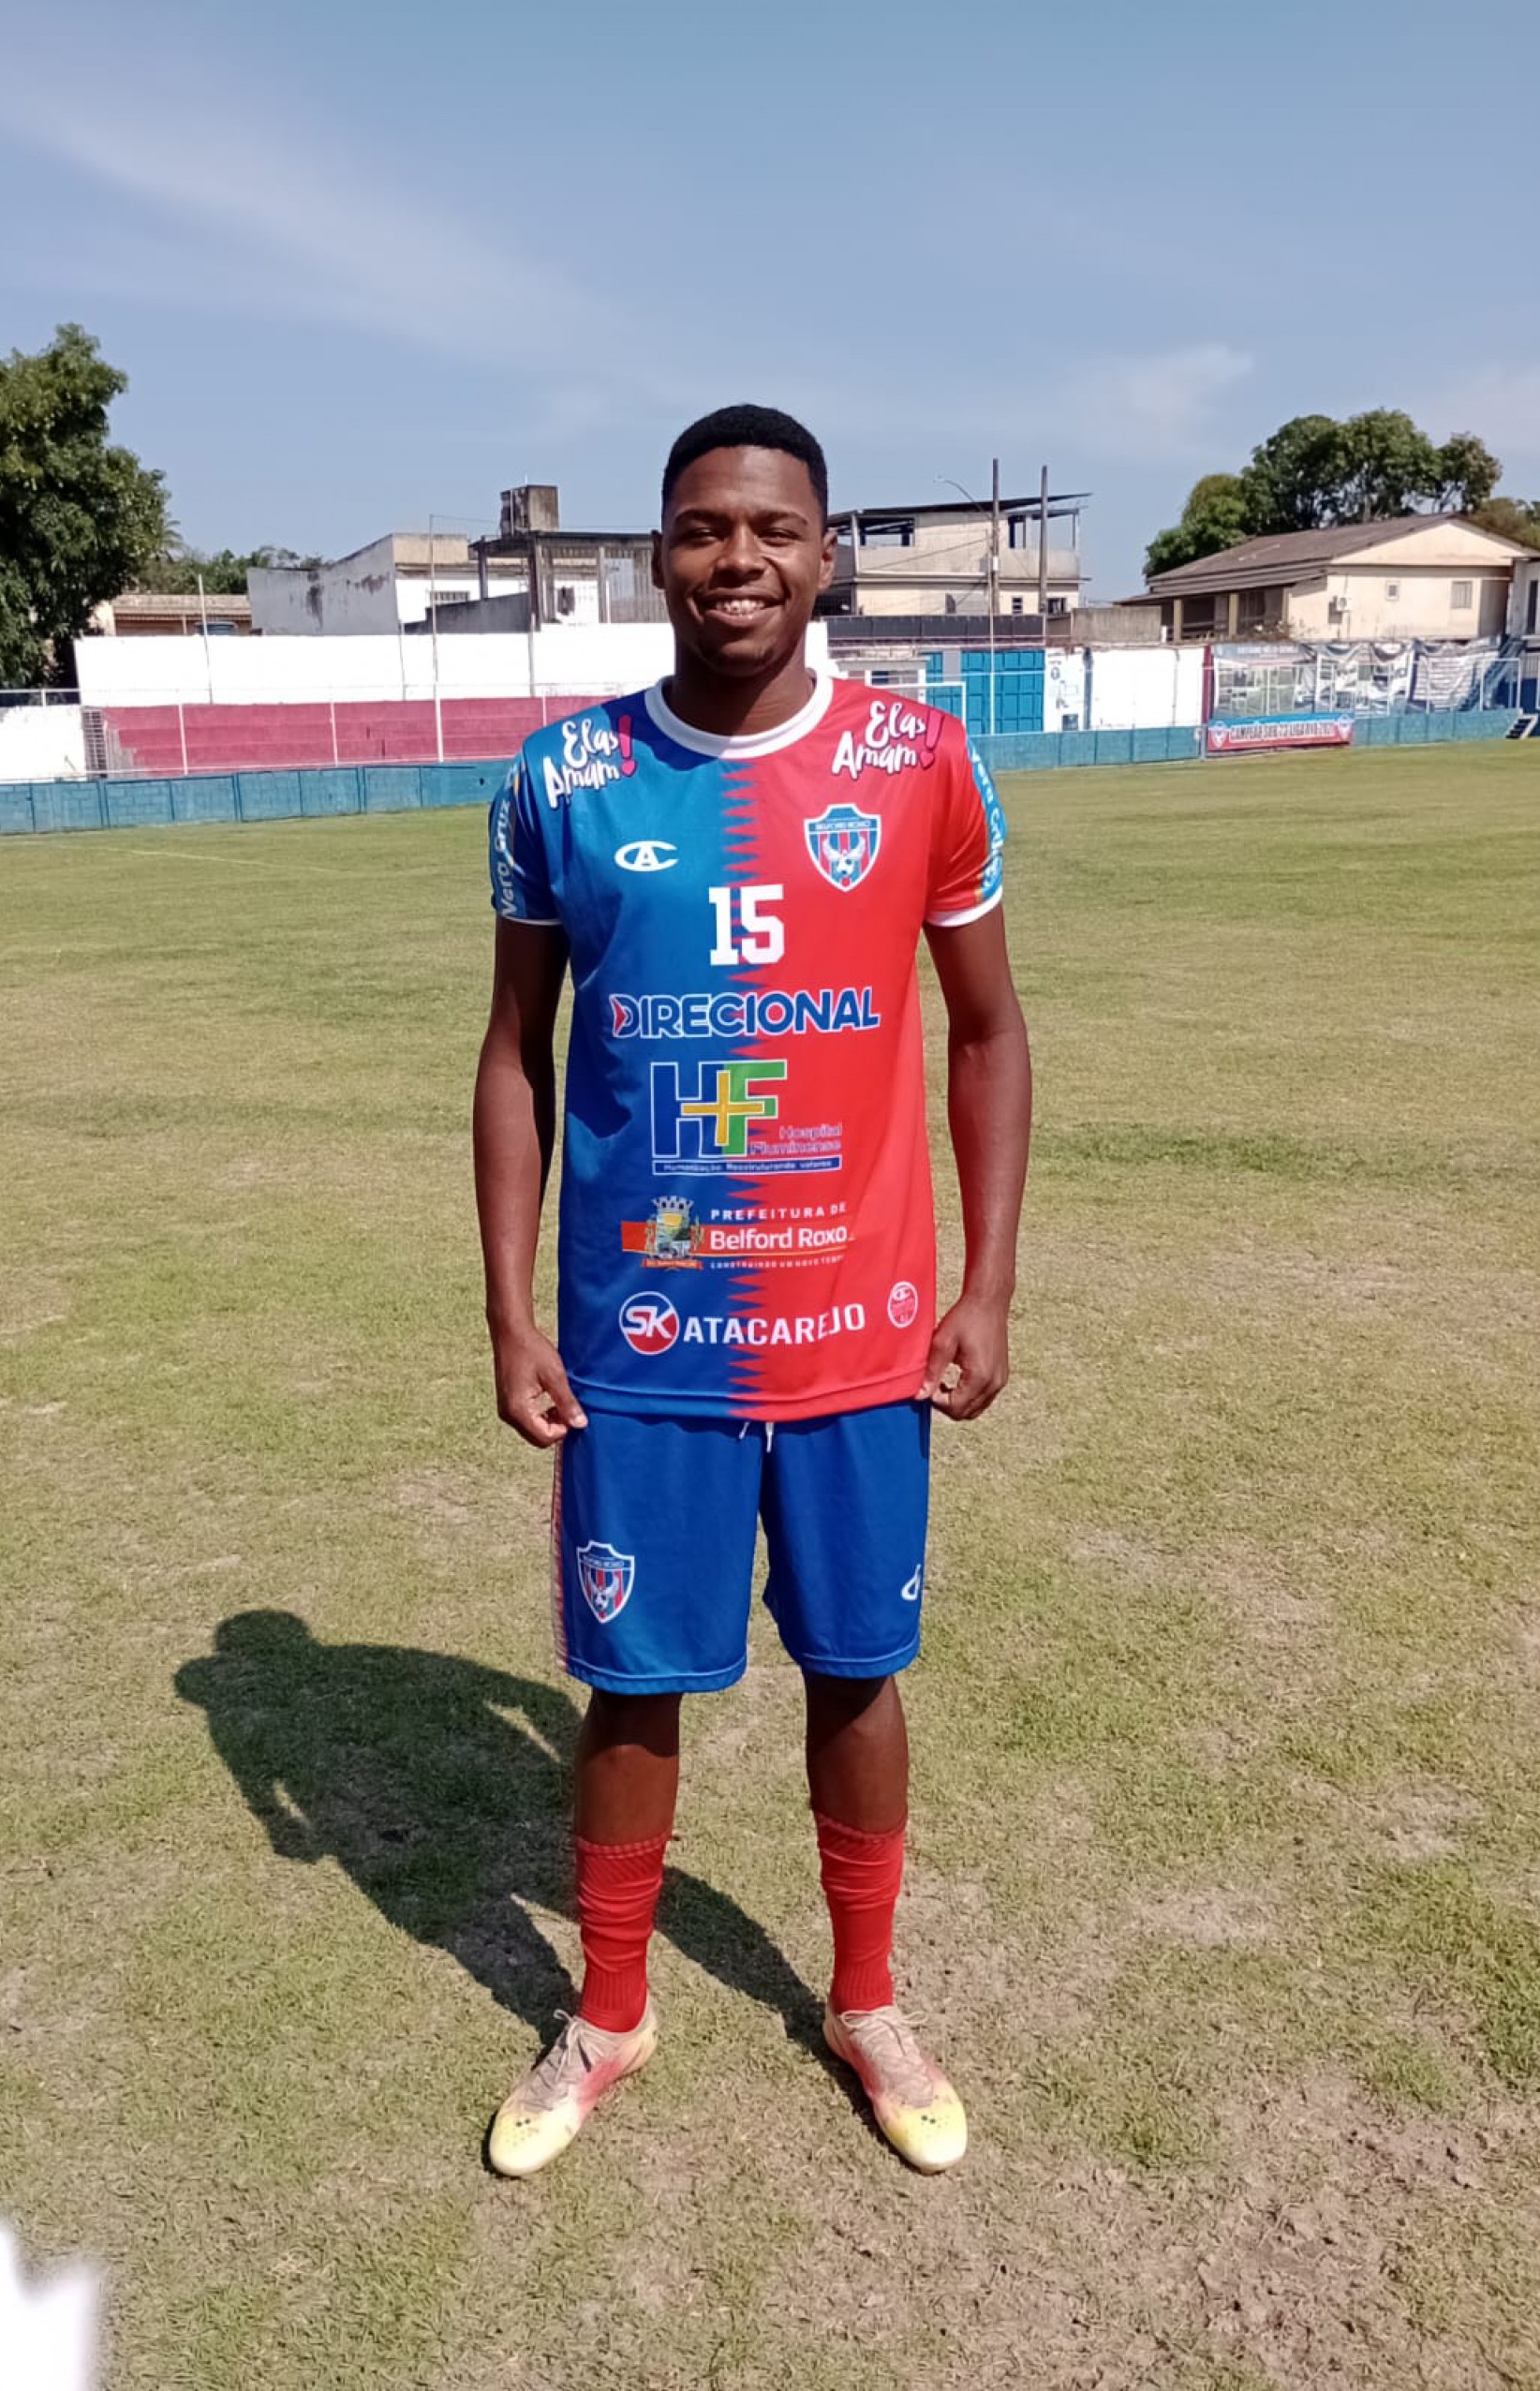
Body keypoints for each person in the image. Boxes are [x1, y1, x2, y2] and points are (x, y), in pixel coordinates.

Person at [471, 404, 1030, 2176]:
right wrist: (507, 1305)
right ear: (659, 554)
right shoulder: (560, 782)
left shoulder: (923, 762)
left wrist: (992, 1284)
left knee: (857, 1672)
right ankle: (610, 2013)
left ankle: (866, 2001)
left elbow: (992, 1033)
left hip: (858, 1333)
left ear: (827, 550)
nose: (740, 559)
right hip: (642, 1345)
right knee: (636, 1686)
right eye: (705, 528)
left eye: (774, 530)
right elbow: (513, 1059)